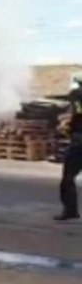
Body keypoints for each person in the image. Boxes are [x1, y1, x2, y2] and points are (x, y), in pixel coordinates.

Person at [56, 73, 82, 222]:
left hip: (79, 143)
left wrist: (68, 124)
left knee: (68, 178)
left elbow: (77, 112)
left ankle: (70, 210)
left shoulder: (76, 95)